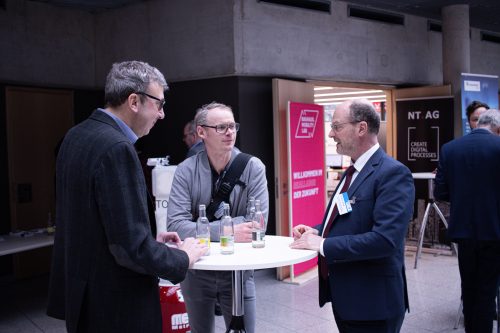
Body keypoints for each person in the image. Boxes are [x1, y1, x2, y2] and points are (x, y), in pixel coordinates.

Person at [46, 61, 208, 333]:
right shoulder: (117, 149)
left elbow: (94, 223)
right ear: (134, 101)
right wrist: (184, 258)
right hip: (117, 308)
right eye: (159, 104)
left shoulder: (75, 136)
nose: (162, 114)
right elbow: (130, 248)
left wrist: (148, 237)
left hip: (84, 299)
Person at [291, 99, 415, 333]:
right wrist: (319, 229)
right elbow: (349, 216)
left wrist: (324, 244)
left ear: (361, 128)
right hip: (348, 299)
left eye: (337, 127)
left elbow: (385, 241)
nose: (330, 133)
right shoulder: (352, 171)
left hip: (373, 305)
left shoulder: (393, 174)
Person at [167, 101, 269, 333]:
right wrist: (229, 229)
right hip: (197, 269)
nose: (230, 132)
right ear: (201, 132)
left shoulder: (253, 167)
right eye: (221, 127)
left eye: (232, 126)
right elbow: (176, 225)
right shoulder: (186, 170)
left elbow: (258, 225)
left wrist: (201, 227)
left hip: (239, 271)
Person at [434, 109, 500, 333]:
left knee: (469, 287)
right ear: (497, 128)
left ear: (478, 123)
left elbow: (440, 192)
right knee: (487, 290)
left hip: (463, 230)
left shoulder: (450, 149)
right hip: (494, 230)